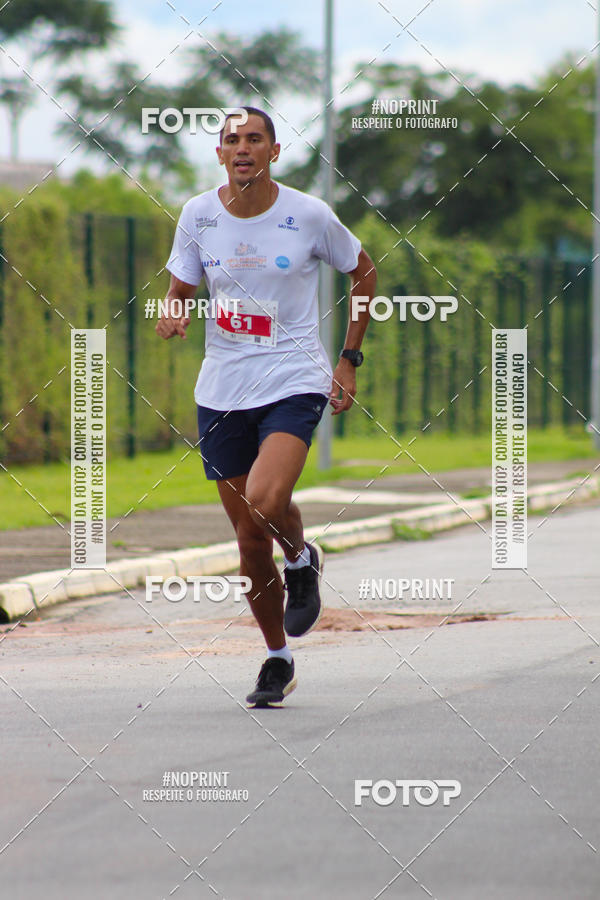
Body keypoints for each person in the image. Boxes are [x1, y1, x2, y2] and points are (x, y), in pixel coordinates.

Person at [157, 106, 376, 707]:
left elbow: (363, 273)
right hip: (222, 388)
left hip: (293, 378)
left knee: (264, 500)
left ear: (273, 152)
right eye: (232, 140)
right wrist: (173, 312)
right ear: (220, 154)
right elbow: (180, 287)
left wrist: (348, 360)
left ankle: (300, 558)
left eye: (254, 139)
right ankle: (278, 656)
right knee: (250, 541)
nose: (243, 148)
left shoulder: (309, 215)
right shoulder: (198, 215)